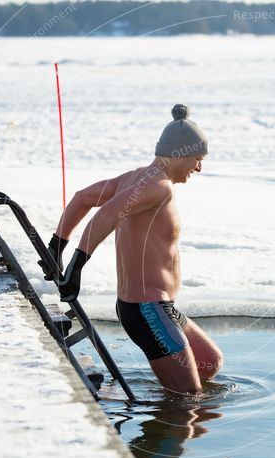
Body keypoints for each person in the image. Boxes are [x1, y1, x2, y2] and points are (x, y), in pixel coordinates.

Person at [40, 104, 223, 395]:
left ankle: (171, 396)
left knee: (208, 362)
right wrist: (75, 267)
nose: (199, 167)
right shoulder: (159, 187)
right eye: (198, 159)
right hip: (147, 310)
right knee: (187, 400)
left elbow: (82, 198)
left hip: (160, 308)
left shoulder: (136, 178)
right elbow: (105, 216)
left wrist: (56, 245)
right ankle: (168, 426)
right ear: (181, 154)